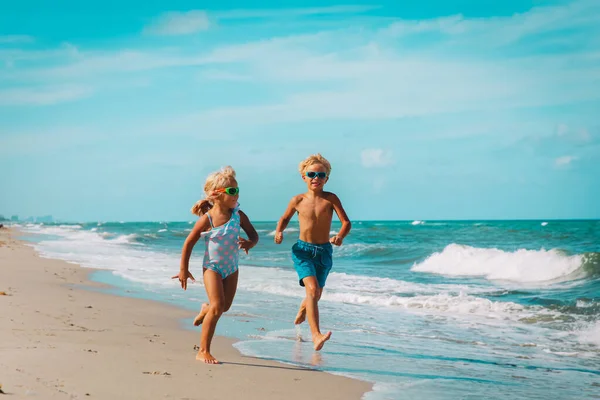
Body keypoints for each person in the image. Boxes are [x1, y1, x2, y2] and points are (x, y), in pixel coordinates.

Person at [173, 166, 259, 364]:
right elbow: (188, 243)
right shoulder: (208, 219)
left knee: (224, 307)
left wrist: (249, 243)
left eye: (237, 190)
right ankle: (203, 350)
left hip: (232, 268)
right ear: (216, 194)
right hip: (212, 268)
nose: (236, 194)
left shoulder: (239, 215)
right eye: (231, 191)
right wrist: (183, 270)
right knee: (218, 306)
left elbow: (254, 235)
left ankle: (206, 309)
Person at [274, 153, 351, 351]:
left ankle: (303, 309)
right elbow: (284, 218)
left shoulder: (330, 199)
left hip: (324, 252)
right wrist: (279, 232)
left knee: (316, 294)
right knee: (312, 290)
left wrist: (340, 236)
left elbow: (346, 222)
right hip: (303, 251)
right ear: (304, 177)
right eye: (311, 174)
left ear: (327, 178)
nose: (316, 178)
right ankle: (316, 335)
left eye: (321, 175)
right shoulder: (297, 200)